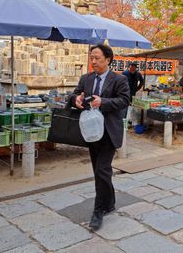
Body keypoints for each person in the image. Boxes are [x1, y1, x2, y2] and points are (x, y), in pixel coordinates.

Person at [72, 44, 130, 231]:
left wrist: (102, 102)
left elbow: (124, 101)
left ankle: (98, 212)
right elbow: (74, 94)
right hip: (91, 131)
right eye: (91, 58)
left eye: (97, 58)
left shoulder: (119, 79)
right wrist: (77, 99)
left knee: (102, 170)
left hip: (110, 131)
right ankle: (110, 201)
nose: (93, 61)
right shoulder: (86, 78)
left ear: (108, 59)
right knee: (100, 170)